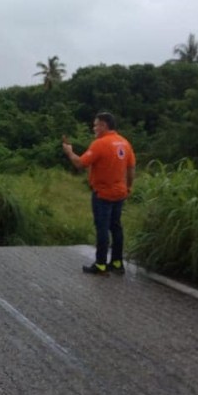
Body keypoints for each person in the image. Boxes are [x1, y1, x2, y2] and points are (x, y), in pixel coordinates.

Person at [62, 112, 136, 275]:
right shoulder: (124, 143)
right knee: (116, 227)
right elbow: (131, 169)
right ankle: (117, 263)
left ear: (104, 125)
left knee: (102, 228)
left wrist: (69, 152)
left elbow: (80, 163)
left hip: (103, 194)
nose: (94, 128)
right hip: (120, 193)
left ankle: (101, 264)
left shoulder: (100, 144)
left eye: (96, 125)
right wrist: (128, 188)